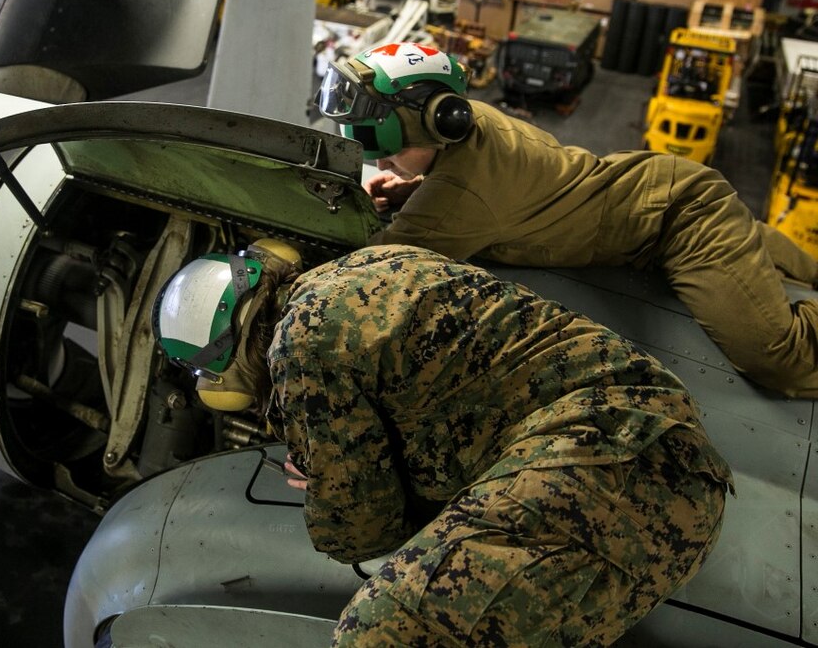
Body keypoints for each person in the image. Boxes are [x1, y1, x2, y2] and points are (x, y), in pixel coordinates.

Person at [152, 240, 733, 646]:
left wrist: (318, 468)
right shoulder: (372, 263)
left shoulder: (299, 349)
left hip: (616, 464)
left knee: (383, 633)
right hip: (642, 439)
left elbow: (357, 531)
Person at [314, 41, 818, 398]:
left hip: (679, 221)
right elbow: (476, 187)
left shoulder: (463, 193)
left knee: (777, 358)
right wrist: (413, 187)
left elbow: (374, 270)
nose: (378, 163)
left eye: (384, 145)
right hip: (648, 197)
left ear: (441, 122)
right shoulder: (470, 126)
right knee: (799, 275)